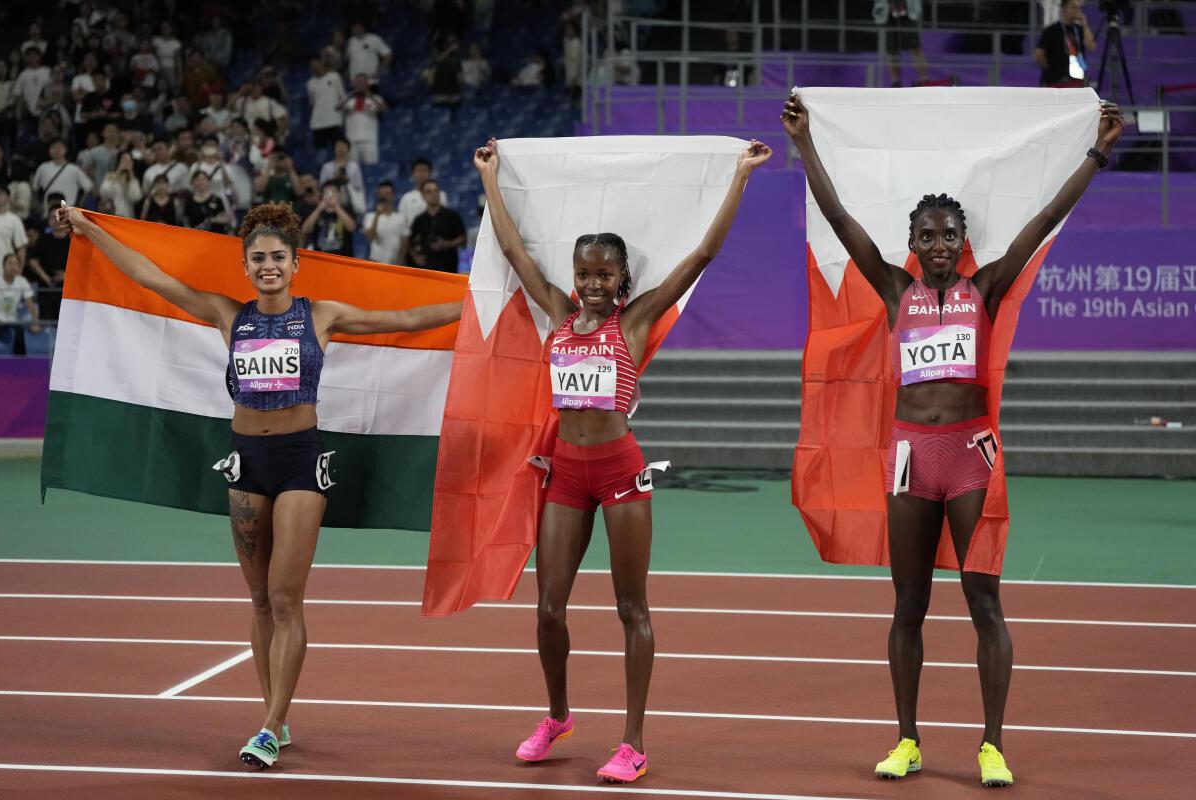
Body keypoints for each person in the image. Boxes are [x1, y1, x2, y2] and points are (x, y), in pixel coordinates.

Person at [782, 91, 1123, 788]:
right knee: (908, 605)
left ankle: (992, 745)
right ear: (913, 244)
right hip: (912, 457)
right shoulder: (891, 289)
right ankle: (906, 740)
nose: (938, 245)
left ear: (960, 241)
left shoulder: (987, 287)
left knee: (985, 603)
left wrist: (1097, 152)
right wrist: (805, 145)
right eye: (928, 236)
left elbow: (1047, 215)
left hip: (971, 456)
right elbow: (841, 217)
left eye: (948, 235)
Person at [54, 200, 462, 769]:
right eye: (258, 259)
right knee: (257, 600)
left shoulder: (322, 315)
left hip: (300, 461)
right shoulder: (229, 315)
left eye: (278, 257)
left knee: (284, 597)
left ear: (296, 264)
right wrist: (91, 231)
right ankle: (277, 711)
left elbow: (412, 319)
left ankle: (269, 727)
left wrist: (484, 301)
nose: (268, 266)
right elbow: (151, 276)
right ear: (244, 267)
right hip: (246, 462)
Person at [474, 136, 771, 783]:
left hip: (619, 470)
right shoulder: (556, 311)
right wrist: (491, 179)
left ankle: (633, 742)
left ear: (622, 280)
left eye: (605, 275)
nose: (592, 286)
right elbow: (514, 251)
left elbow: (702, 254)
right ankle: (557, 717)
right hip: (566, 474)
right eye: (585, 274)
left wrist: (740, 179)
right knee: (548, 609)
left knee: (630, 608)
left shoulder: (634, 322)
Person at [1035, 0, 1097, 88]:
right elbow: (1039, 55)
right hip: (1055, 81)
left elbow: (1091, 47)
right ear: (1064, 9)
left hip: (1077, 81)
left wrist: (1085, 25)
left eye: (1079, 8)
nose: (1078, 10)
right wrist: (1052, 69)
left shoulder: (1080, 29)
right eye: (1074, 7)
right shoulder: (1052, 30)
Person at [408, 180, 465, 273]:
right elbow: (410, 242)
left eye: (436, 191)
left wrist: (447, 244)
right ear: (423, 195)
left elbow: (463, 238)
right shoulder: (419, 220)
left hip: (448, 267)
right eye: (429, 192)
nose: (433, 194)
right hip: (425, 269)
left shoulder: (452, 216)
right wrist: (415, 257)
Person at [872, 1, 929, 87]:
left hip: (908, 14)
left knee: (916, 48)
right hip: (889, 15)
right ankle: (895, 82)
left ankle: (924, 79)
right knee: (892, 51)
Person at [32, 138, 94, 215]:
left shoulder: (74, 169)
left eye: (60, 147)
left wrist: (79, 205)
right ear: (49, 150)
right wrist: (38, 205)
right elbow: (35, 188)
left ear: (65, 150)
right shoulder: (43, 168)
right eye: (53, 147)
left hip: (69, 212)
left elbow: (88, 188)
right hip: (48, 212)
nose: (56, 150)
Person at [338, 75, 386, 165]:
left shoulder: (375, 98)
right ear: (354, 84)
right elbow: (338, 107)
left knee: (371, 167)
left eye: (362, 82)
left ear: (367, 84)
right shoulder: (349, 100)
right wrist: (351, 94)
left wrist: (371, 96)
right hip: (352, 140)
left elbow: (384, 108)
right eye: (357, 82)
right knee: (352, 168)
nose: (360, 85)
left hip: (369, 140)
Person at [300, 182, 356, 256]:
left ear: (339, 194)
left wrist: (336, 206)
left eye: (333, 192)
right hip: (321, 260)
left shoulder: (346, 210)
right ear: (322, 195)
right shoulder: (317, 213)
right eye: (327, 192)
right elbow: (305, 230)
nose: (330, 195)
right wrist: (320, 207)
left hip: (343, 259)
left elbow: (351, 227)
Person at [306, 56, 346, 153]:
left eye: (316, 63)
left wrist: (343, 114)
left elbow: (343, 97)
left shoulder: (334, 76)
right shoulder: (310, 83)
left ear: (321, 62)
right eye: (311, 64)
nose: (314, 66)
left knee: (338, 150)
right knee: (320, 153)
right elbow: (312, 103)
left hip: (334, 120)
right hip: (317, 123)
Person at [362, 181, 408, 265]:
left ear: (393, 196)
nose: (384, 197)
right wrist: (377, 215)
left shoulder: (401, 217)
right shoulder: (370, 216)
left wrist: (400, 261)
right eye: (381, 194)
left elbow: (404, 242)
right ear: (377, 196)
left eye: (387, 194)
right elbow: (370, 237)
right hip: (376, 262)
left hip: (396, 263)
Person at [397, 157, 448, 222]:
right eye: (418, 171)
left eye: (424, 171)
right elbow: (402, 223)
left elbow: (445, 219)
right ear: (413, 174)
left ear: (430, 173)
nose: (421, 174)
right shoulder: (406, 198)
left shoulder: (441, 195)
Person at [99, 150, 143, 217]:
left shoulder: (134, 179)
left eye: (129, 161)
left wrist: (130, 173)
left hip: (128, 216)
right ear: (119, 161)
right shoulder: (110, 176)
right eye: (124, 160)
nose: (126, 163)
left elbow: (136, 198)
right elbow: (104, 192)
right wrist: (118, 171)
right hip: (110, 213)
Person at [185, 170, 231, 234]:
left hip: (215, 236)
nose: (200, 182)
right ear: (193, 182)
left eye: (203, 179)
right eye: (197, 179)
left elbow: (226, 219)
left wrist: (212, 220)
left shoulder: (216, 199)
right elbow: (185, 221)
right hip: (196, 237)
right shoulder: (188, 201)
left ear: (208, 181)